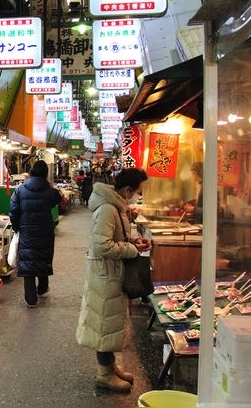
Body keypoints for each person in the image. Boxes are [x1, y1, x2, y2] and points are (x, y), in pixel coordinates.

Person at [75, 167, 152, 391]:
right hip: (105, 274)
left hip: (110, 272)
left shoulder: (116, 206)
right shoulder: (108, 209)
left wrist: (134, 243)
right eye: (138, 191)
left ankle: (110, 368)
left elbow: (115, 239)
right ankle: (104, 375)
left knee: (110, 323)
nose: (138, 195)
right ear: (128, 189)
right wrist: (131, 249)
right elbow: (101, 245)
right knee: (104, 325)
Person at [8, 160, 63, 308]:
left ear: (31, 172)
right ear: (46, 173)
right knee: (43, 257)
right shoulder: (49, 190)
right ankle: (43, 288)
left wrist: (16, 227)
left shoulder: (20, 190)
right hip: (45, 229)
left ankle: (31, 299)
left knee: (28, 261)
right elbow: (58, 199)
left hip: (26, 230)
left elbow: (13, 211)